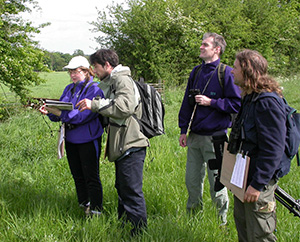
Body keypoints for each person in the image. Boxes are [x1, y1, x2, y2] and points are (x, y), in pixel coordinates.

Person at [76, 49, 149, 235]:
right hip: (123, 144)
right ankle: (125, 228)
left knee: (131, 190)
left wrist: (94, 105)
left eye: (96, 67)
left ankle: (138, 233)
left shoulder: (122, 80)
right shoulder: (113, 81)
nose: (94, 70)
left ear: (107, 65)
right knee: (123, 187)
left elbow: (125, 107)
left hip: (132, 144)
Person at [178, 33, 241, 225]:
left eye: (205, 44)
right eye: (201, 44)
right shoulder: (195, 72)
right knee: (192, 182)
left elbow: (237, 104)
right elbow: (186, 104)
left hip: (216, 138)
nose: (201, 47)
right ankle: (193, 221)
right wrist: (183, 130)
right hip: (195, 136)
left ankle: (221, 224)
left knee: (217, 183)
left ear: (217, 49)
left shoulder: (227, 73)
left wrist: (211, 102)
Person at [228, 49, 286, 241]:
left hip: (257, 182)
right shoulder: (249, 98)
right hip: (243, 177)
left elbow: (273, 149)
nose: (231, 71)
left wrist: (257, 184)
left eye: (235, 67)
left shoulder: (267, 102)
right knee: (244, 230)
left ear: (247, 70)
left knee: (260, 234)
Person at [39, 56, 105, 216]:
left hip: (88, 138)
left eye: (76, 71)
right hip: (71, 138)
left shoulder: (95, 89)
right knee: (77, 174)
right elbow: (60, 113)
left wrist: (60, 113)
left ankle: (96, 210)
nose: (73, 75)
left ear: (86, 71)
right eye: (71, 72)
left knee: (91, 175)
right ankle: (84, 204)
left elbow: (83, 116)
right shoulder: (69, 89)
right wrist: (49, 112)